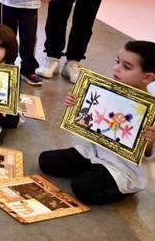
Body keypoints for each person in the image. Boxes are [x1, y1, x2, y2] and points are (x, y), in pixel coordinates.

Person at [39, 40, 155, 204]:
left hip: (123, 170)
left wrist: (150, 142)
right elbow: (87, 125)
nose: (116, 68)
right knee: (45, 161)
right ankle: (93, 170)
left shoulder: (151, 110)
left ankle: (121, 187)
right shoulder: (105, 90)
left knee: (81, 188)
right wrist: (76, 106)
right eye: (117, 62)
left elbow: (147, 155)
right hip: (92, 153)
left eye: (126, 67)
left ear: (148, 77)